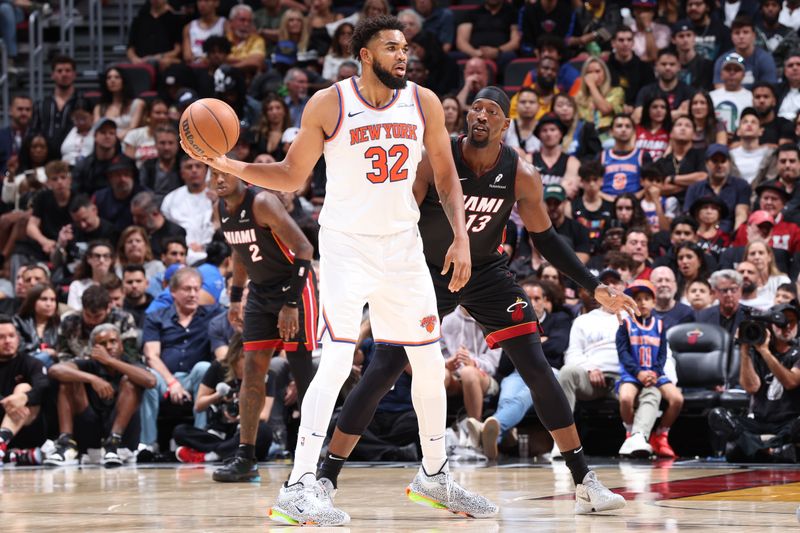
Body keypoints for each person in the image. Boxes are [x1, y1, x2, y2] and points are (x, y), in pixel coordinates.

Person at [184, 16, 493, 525]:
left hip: (403, 248)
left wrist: (461, 236)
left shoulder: (425, 101)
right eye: (392, 47)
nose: (403, 55)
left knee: (427, 363)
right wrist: (232, 164)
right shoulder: (330, 102)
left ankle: (435, 475)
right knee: (334, 361)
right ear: (366, 54)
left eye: (406, 48)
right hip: (347, 248)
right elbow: (290, 174)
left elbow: (445, 175)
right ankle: (300, 486)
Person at [309, 86, 632, 519]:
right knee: (384, 366)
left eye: (491, 110)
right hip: (425, 272)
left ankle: (584, 482)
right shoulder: (437, 156)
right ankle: (325, 478)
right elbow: (397, 213)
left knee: (536, 365)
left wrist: (593, 285)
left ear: (506, 125)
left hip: (486, 274)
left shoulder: (522, 173)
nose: (480, 115)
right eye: (475, 107)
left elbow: (546, 238)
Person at [207, 169, 318, 483]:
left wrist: (291, 304)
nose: (218, 179)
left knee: (302, 375)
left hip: (293, 290)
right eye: (212, 174)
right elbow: (239, 252)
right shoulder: (222, 210)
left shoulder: (263, 202)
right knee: (252, 371)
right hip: (259, 292)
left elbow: (305, 249)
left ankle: (308, 458)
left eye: (224, 173)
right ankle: (246, 457)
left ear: (240, 176)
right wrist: (233, 297)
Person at [45, 324, 156, 467]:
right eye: (103, 344)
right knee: (68, 380)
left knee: (131, 381)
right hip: (90, 429)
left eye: (113, 341)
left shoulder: (131, 362)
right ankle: (66, 444)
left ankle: (113, 443)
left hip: (122, 436)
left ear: (121, 345)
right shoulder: (88, 363)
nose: (109, 347)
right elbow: (54, 370)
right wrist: (93, 379)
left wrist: (111, 361)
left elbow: (151, 381)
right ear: (94, 350)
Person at [139, 267, 223, 450]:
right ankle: (147, 444)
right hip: (164, 377)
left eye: (196, 289)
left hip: (195, 378)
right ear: (172, 291)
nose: (193, 294)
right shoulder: (156, 317)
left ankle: (199, 441)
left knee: (204, 367)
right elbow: (151, 355)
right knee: (148, 378)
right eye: (187, 289)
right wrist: (172, 383)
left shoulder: (213, 314)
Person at [708, 303, 800, 463]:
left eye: (792, 322)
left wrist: (765, 352)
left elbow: (791, 382)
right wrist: (744, 349)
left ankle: (751, 448)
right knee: (717, 415)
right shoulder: (755, 351)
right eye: (782, 323)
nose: (787, 327)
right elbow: (752, 387)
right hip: (760, 421)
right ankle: (771, 451)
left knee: (734, 452)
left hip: (789, 422)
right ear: (771, 326)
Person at [173, 333, 274, 463]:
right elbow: (199, 405)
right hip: (217, 432)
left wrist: (241, 417)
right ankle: (226, 452)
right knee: (180, 431)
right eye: (244, 357)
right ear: (235, 355)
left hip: (245, 430)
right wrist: (217, 395)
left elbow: (264, 415)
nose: (249, 363)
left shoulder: (267, 374)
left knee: (264, 432)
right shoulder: (218, 367)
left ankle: (211, 455)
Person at [616, 280, 684, 458]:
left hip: (655, 373)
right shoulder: (625, 324)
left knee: (677, 399)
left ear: (654, 302)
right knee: (625, 398)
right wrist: (638, 372)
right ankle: (631, 433)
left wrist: (654, 372)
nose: (642, 302)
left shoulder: (660, 325)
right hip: (632, 373)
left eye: (647, 298)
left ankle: (661, 435)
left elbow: (662, 354)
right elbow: (623, 353)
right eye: (638, 299)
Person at [0, 315, 48, 464]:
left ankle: (1, 442)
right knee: (15, 401)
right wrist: (9, 403)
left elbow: (44, 386)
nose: (7, 341)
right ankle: (12, 455)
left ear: (18, 338)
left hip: (29, 424)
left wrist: (24, 398)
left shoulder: (32, 363)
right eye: (1, 337)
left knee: (24, 388)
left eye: (11, 336)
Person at [683, 143, 751, 234]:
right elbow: (689, 217)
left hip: (729, 237)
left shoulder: (741, 185)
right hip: (699, 236)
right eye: (715, 161)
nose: (719, 165)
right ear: (706, 163)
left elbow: (741, 214)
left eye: (723, 161)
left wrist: (736, 238)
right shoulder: (694, 188)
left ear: (729, 163)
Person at [32, 55, 83, 149]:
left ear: (74, 74)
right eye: (59, 71)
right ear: (52, 75)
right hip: (45, 156)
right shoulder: (41, 104)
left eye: (68, 70)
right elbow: (34, 131)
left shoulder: (83, 103)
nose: (64, 74)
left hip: (74, 154)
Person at [713, 15, 777, 90]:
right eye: (737, 33)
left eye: (746, 32)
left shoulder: (765, 59)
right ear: (731, 36)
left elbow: (768, 90)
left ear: (754, 36)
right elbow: (719, 89)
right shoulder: (722, 60)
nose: (741, 36)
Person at [600, 114, 651, 199]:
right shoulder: (601, 156)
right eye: (619, 126)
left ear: (634, 131)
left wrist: (632, 200)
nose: (623, 129)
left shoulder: (643, 156)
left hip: (635, 204)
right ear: (611, 132)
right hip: (606, 203)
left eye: (628, 126)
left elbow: (650, 184)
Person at [575, 58, 625, 144]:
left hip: (607, 136)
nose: (594, 76)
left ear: (605, 73)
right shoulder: (580, 96)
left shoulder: (616, 91)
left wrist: (592, 86)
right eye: (589, 72)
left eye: (597, 71)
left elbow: (605, 109)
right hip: (585, 137)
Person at [126, 0, 182, 71]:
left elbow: (178, 49)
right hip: (140, 64)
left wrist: (160, 57)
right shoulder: (139, 20)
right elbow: (130, 47)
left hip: (164, 64)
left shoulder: (175, 20)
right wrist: (134, 59)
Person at [13, 283, 60, 367]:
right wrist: (41, 352)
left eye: (53, 300)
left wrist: (55, 353)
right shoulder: (18, 321)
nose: (49, 304)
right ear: (32, 301)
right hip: (24, 363)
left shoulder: (60, 323)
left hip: (53, 366)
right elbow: (18, 348)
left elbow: (63, 351)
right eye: (44, 299)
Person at [93, 67, 145, 141]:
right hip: (105, 144)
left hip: (129, 143)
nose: (112, 80)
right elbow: (96, 129)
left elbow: (133, 127)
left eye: (117, 77)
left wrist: (114, 139)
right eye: (109, 78)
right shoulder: (99, 108)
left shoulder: (137, 104)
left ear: (124, 80)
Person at [129, 191, 187, 258]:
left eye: (140, 217)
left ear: (155, 213)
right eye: (134, 216)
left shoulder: (175, 233)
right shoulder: (137, 230)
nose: (135, 221)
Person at [532, 114, 579, 190]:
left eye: (553, 130)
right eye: (544, 130)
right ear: (539, 135)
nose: (548, 134)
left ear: (561, 134)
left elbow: (569, 191)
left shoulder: (572, 162)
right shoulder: (529, 159)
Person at [710, 52, 753, 134]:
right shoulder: (711, 96)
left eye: (736, 70)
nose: (732, 73)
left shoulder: (751, 97)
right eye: (728, 69)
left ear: (743, 75)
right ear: (721, 74)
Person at [730, 107, 771, 184]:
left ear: (760, 131)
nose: (749, 124)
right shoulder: (730, 155)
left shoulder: (769, 155)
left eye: (753, 122)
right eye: (745, 122)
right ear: (738, 131)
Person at [182, 0, 226, 65]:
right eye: (199, 1)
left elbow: (228, 52)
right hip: (194, 68)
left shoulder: (225, 25)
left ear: (216, 2)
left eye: (206, 1)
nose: (202, 4)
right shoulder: (189, 27)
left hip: (217, 66)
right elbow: (187, 57)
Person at [672, 21, 713, 91]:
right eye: (681, 36)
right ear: (673, 40)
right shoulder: (670, 64)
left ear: (694, 38)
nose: (685, 40)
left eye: (688, 35)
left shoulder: (706, 65)